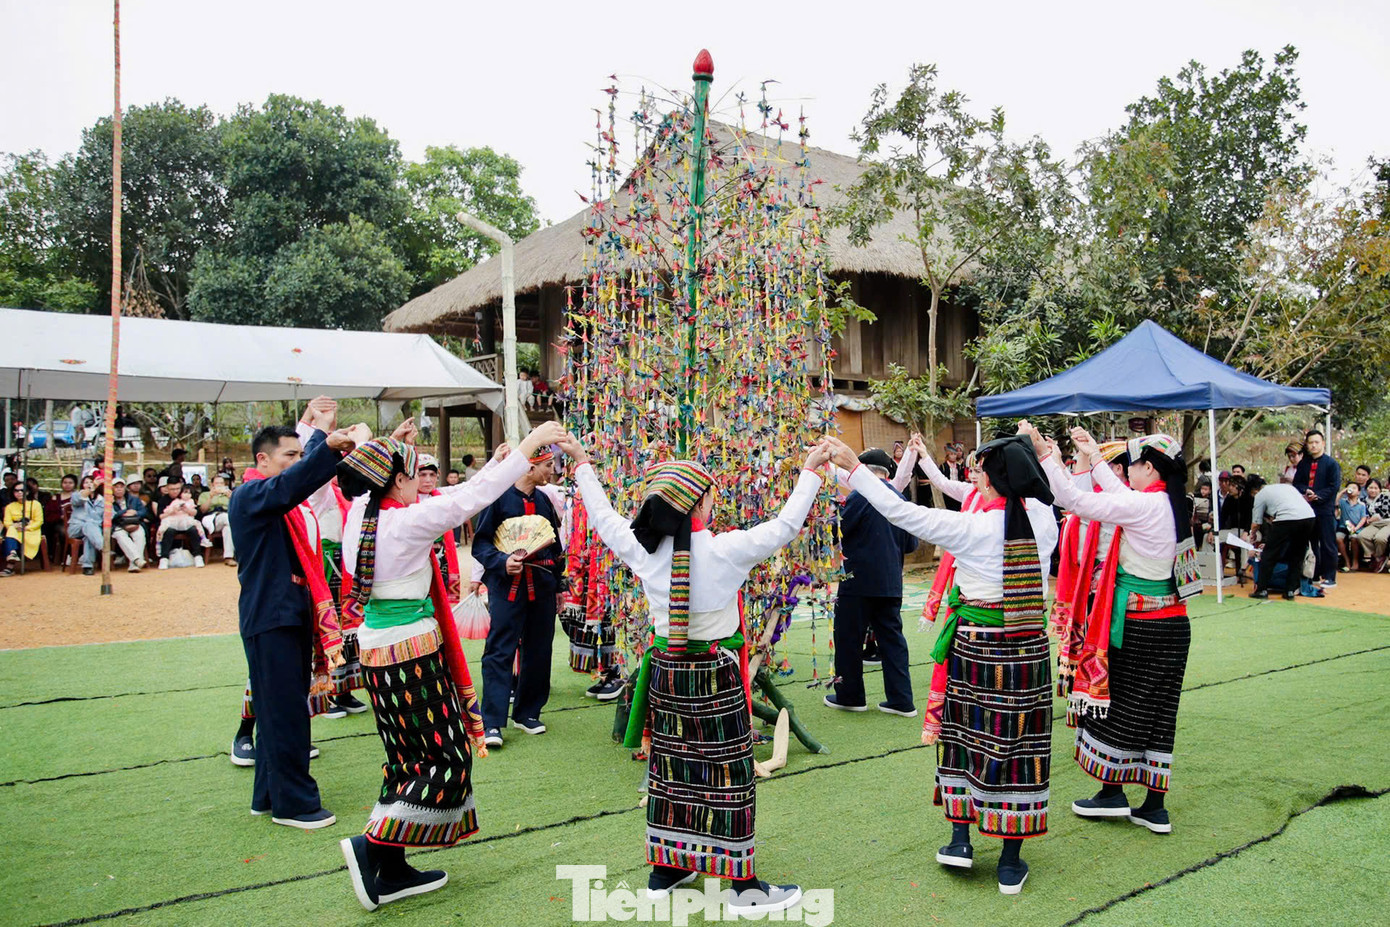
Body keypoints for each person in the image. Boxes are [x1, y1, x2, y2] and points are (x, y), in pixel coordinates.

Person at [560, 432, 825, 913]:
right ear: (699, 503)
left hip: (667, 671)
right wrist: (809, 470)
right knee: (729, 773)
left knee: (672, 768)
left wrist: (581, 461)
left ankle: (667, 869)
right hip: (715, 674)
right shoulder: (727, 549)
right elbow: (787, 524)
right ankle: (743, 886)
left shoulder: (644, 550)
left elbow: (602, 517)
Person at [336, 419, 564, 911]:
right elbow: (467, 499)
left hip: (377, 648)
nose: (422, 484)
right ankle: (372, 847)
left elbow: (457, 494)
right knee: (446, 756)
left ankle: (392, 865)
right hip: (410, 651)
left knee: (407, 756)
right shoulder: (404, 522)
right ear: (398, 481)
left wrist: (366, 442)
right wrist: (527, 445)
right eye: (414, 475)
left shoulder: (361, 513)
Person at [824, 431, 1056, 895]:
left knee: (962, 737)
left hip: (976, 647)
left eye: (980, 472)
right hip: (1028, 649)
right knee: (1021, 746)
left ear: (989, 481)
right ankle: (1010, 860)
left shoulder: (973, 528)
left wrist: (853, 468)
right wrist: (1040, 451)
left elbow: (901, 512)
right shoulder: (1045, 521)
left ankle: (960, 839)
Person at [1030, 424, 1199, 840]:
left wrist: (1045, 456)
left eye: (1133, 465)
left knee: (1115, 706)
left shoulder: (1143, 506)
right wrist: (1093, 455)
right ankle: (1154, 806)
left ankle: (1112, 792)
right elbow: (1118, 493)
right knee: (1160, 715)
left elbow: (1073, 500)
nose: (1128, 471)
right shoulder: (1170, 502)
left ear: (1148, 468)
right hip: (1173, 625)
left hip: (1138, 626)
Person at [227, 403, 357, 830]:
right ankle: (294, 804)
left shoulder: (276, 499)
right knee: (285, 714)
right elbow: (293, 484)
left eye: (302, 455)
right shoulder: (251, 495)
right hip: (272, 617)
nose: (298, 462)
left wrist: (319, 435)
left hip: (288, 615)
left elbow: (296, 483)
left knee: (277, 711)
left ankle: (268, 795)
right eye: (290, 455)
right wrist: (325, 446)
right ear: (262, 460)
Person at [472, 444, 565, 746]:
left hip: (543, 586)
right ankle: (492, 721)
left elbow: (554, 547)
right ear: (530, 466)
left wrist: (559, 586)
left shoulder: (544, 500)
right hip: (506, 587)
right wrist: (502, 561)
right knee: (500, 649)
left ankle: (527, 712)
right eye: (548, 465)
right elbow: (481, 544)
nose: (552, 471)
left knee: (539, 649)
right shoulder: (498, 498)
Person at [825, 447, 918, 716]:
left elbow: (835, 531)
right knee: (893, 640)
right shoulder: (899, 497)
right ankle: (902, 700)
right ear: (887, 472)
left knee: (848, 638)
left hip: (858, 581)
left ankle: (850, 696)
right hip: (891, 581)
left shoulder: (859, 496)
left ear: (862, 470)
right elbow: (911, 544)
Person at [1248, 475, 1315, 599]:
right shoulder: (1286, 487)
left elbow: (1256, 522)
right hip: (1309, 517)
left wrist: (1252, 534)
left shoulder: (1260, 495)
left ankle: (1261, 589)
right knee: (1297, 555)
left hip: (1287, 518)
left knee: (1269, 554)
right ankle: (1290, 590)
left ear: (1254, 490)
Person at [1292, 430, 1342, 588]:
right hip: (1307, 509)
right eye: (1310, 442)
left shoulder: (1331, 464)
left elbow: (1334, 487)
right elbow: (1297, 483)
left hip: (1325, 509)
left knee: (1328, 543)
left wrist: (1318, 496)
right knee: (1311, 543)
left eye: (1316, 442)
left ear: (1323, 443)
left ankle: (1330, 577)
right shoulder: (1303, 464)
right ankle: (1314, 574)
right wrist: (1305, 491)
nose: (1313, 445)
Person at [156, 486, 212, 566]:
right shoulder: (175, 501)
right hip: (174, 522)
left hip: (187, 522)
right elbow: (163, 515)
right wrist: (174, 510)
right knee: (167, 531)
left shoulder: (191, 502)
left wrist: (187, 510)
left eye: (189, 493)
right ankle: (164, 558)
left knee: (194, 530)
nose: (187, 495)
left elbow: (195, 513)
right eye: (185, 492)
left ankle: (198, 556)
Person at [2, 484, 44, 574]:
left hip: (31, 531)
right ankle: (12, 555)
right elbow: (7, 522)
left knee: (11, 535)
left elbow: (39, 521)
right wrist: (15, 526)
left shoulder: (35, 504)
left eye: (22, 490)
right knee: (11, 531)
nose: (19, 492)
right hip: (15, 530)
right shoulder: (10, 506)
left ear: (27, 492)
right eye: (16, 491)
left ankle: (10, 565)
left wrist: (26, 528)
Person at [67, 479, 106, 576]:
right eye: (86, 482)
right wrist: (91, 488)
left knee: (89, 535)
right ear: (82, 485)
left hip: (94, 531)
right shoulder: (76, 495)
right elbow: (79, 500)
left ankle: (88, 567)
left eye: (91, 482)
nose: (89, 484)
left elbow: (111, 515)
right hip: (76, 528)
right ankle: (103, 547)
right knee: (89, 524)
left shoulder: (102, 499)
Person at [110, 478, 149, 571]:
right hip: (118, 525)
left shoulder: (134, 499)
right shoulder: (109, 501)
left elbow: (144, 512)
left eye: (121, 487)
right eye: (116, 487)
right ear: (112, 489)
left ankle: (134, 564)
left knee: (139, 535)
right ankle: (137, 559)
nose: (119, 489)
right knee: (121, 536)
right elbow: (110, 516)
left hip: (134, 523)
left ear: (125, 488)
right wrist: (124, 512)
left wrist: (135, 512)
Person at [199, 474, 236, 565]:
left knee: (228, 528)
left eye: (221, 483)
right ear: (212, 485)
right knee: (229, 520)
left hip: (226, 517)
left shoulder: (229, 494)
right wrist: (211, 497)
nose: (219, 485)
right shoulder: (205, 494)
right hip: (211, 518)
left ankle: (228, 557)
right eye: (217, 483)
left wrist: (232, 498)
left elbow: (238, 509)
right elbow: (203, 510)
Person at [1358, 479, 1390, 573]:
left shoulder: (1385, 497)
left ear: (1379, 489)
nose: (1373, 490)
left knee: (1380, 538)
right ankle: (1378, 557)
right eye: (1371, 488)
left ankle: (1379, 558)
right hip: (1373, 524)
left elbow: (1383, 512)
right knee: (1362, 536)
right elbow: (1362, 513)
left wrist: (1369, 519)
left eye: (1376, 488)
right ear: (1366, 489)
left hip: (1387, 522)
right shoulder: (1362, 500)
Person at [1336, 482, 1369, 572]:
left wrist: (1356, 528)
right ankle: (1346, 560)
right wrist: (1342, 492)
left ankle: (1355, 560)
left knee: (1354, 539)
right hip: (1343, 526)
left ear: (1358, 492)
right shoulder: (1343, 502)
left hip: (1356, 527)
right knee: (1338, 538)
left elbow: (1363, 518)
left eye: (1354, 488)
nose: (1351, 490)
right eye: (1349, 488)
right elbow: (1335, 502)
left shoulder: (1361, 505)